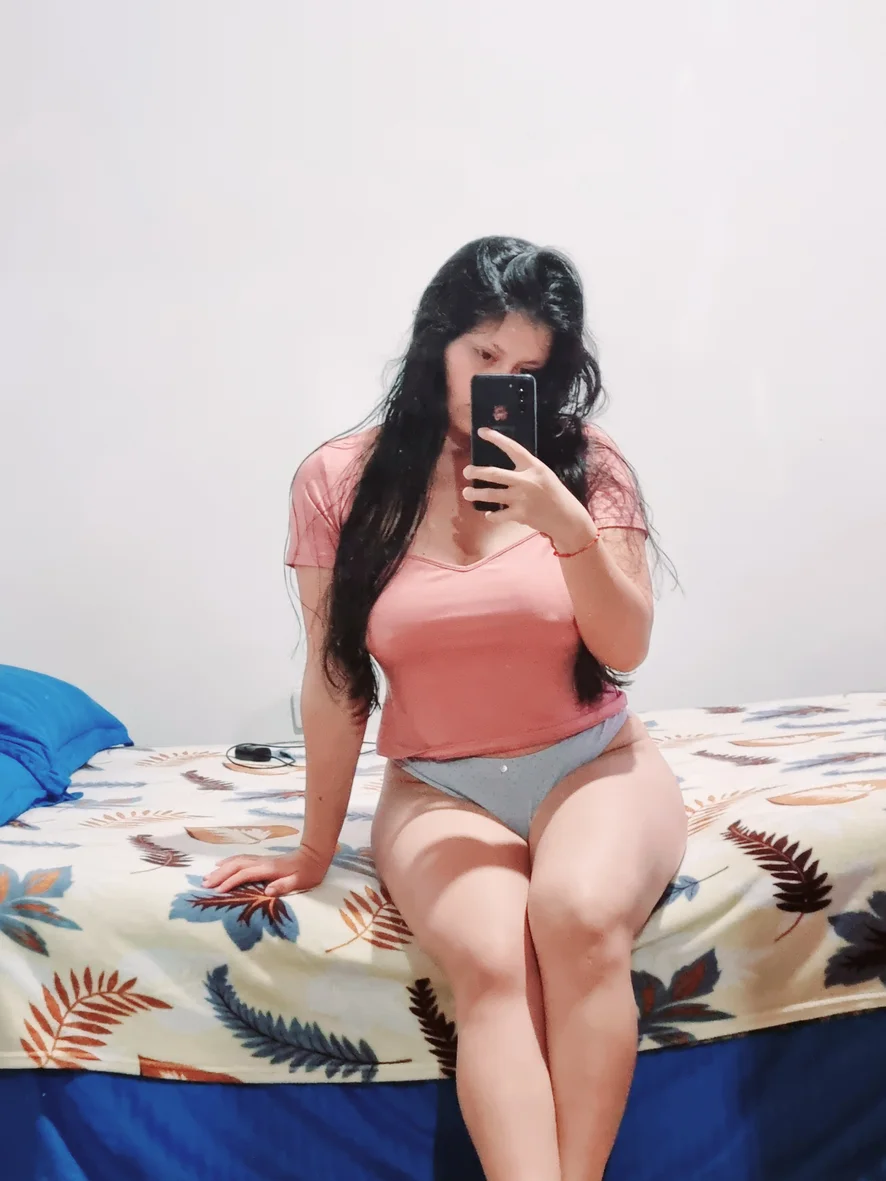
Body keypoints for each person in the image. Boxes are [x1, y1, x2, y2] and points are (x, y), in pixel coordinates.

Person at [204, 236, 688, 1181]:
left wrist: (568, 528)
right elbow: (337, 677)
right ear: (438, 343)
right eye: (484, 354)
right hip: (438, 786)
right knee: (492, 962)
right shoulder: (341, 480)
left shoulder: (585, 465)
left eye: (529, 370)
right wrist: (312, 849)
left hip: (592, 763)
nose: (501, 382)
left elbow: (626, 648)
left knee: (580, 917)